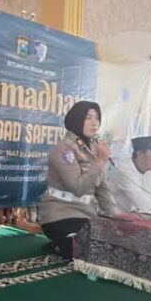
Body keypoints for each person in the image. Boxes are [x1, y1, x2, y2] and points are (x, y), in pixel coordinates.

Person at [39, 101, 116, 259]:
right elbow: (78, 188)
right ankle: (62, 244)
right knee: (90, 252)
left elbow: (102, 189)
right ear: (76, 119)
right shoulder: (64, 149)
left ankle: (67, 243)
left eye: (97, 118)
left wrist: (113, 218)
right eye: (88, 117)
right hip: (61, 216)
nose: (94, 122)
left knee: (115, 244)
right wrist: (100, 161)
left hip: (86, 215)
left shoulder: (94, 149)